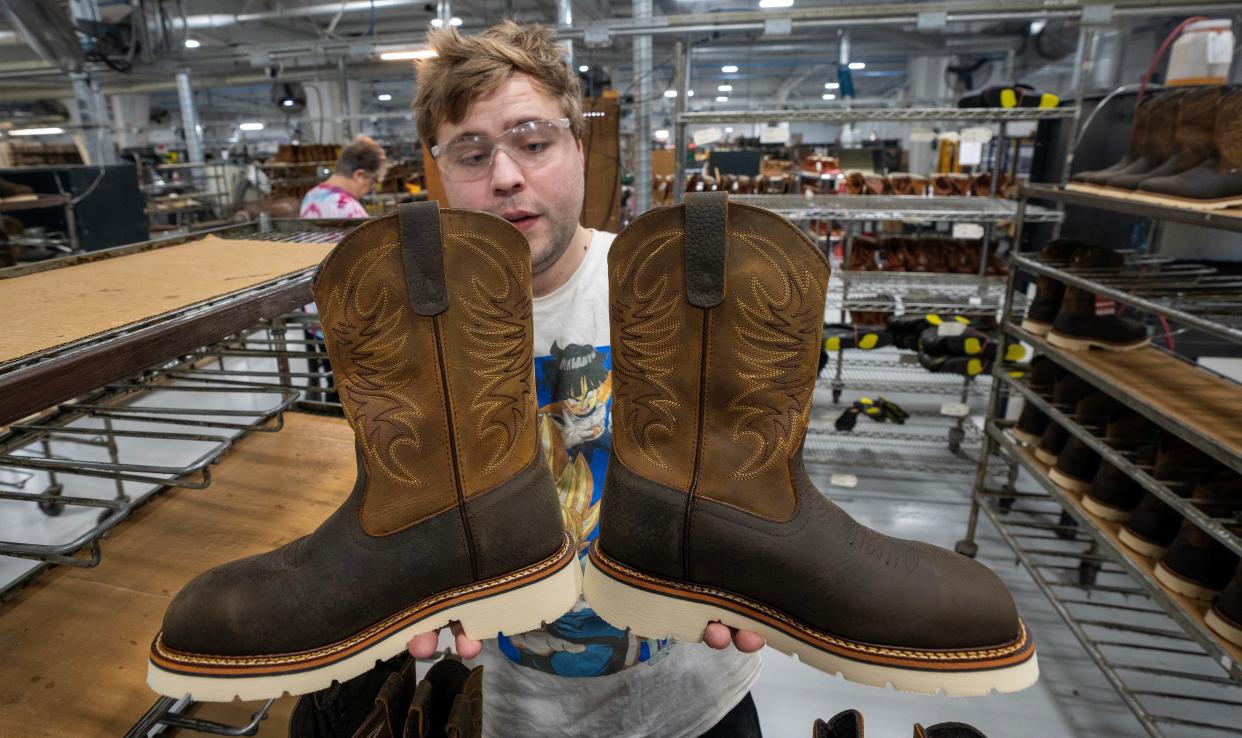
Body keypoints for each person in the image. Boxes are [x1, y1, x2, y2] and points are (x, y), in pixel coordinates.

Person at [406, 22, 766, 737]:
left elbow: (743, 464)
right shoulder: (420, 331)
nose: (506, 176)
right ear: (440, 171)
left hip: (696, 697)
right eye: (472, 154)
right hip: (519, 710)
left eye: (533, 142)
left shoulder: (670, 289)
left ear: (577, 145)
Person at [298, 135, 388, 218]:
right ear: (359, 175)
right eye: (373, 181)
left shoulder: (312, 195)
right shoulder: (349, 209)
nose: (371, 189)